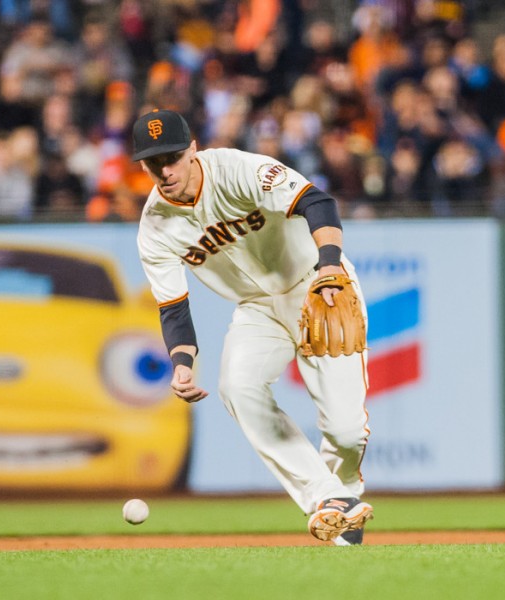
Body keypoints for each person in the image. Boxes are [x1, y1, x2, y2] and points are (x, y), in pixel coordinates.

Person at [133, 109, 373, 545]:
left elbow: (317, 202)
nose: (163, 170)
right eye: (152, 162)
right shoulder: (154, 226)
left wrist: (331, 267)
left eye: (170, 156)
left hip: (316, 287)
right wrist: (182, 363)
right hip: (257, 308)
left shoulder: (236, 169)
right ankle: (326, 498)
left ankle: (346, 494)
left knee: (346, 431)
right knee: (237, 387)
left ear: (192, 149)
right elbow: (173, 307)